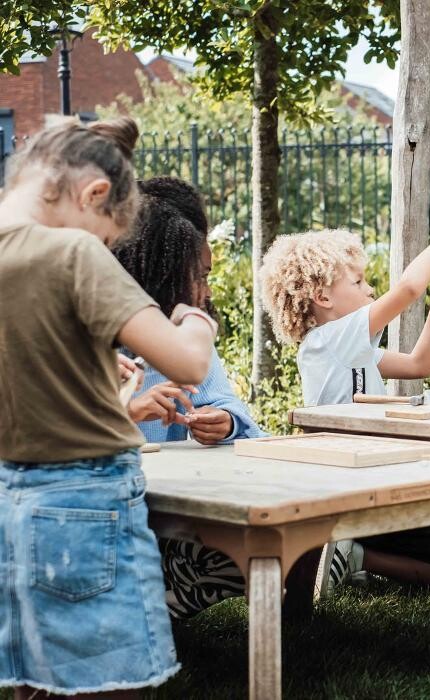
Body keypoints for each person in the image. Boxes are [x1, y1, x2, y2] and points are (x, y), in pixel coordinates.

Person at [0, 118, 217, 697]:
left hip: (9, 501)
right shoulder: (71, 254)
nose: (103, 252)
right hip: (85, 503)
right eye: (106, 239)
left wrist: (87, 367)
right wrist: (194, 319)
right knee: (114, 684)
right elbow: (188, 365)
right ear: (94, 194)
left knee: (34, 679)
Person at [259, 227, 430, 587]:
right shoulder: (327, 342)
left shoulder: (346, 347)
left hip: (369, 483)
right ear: (322, 296)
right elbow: (408, 290)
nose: (370, 290)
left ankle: (353, 552)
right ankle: (352, 554)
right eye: (359, 282)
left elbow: (418, 365)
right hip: (354, 489)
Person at [113, 178, 268, 619]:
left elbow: (233, 410)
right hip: (107, 517)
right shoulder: (88, 326)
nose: (207, 290)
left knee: (261, 541)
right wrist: (125, 412)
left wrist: (223, 421)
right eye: (199, 275)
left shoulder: (179, 329)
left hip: (166, 512)